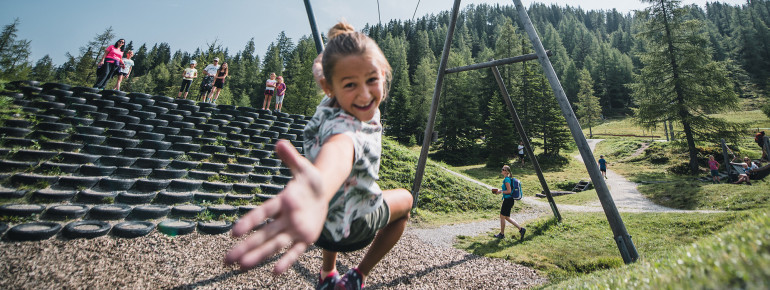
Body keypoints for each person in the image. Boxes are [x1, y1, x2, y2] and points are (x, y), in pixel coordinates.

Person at [225, 22, 413, 290]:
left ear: (382, 74)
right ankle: (359, 275)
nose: (363, 93)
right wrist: (321, 185)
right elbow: (339, 150)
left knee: (342, 193)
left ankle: (328, 273)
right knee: (406, 200)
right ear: (330, 87)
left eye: (371, 80)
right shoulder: (348, 127)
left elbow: (321, 68)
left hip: (321, 229)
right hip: (355, 228)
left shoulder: (325, 103)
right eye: (350, 84)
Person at [492, 165, 526, 240]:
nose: (501, 170)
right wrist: (500, 191)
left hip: (508, 200)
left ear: (506, 171)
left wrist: (501, 191)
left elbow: (509, 191)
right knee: (506, 217)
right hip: (509, 200)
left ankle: (502, 234)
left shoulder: (506, 179)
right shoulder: (507, 179)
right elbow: (507, 190)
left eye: (503, 169)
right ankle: (521, 229)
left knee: (502, 216)